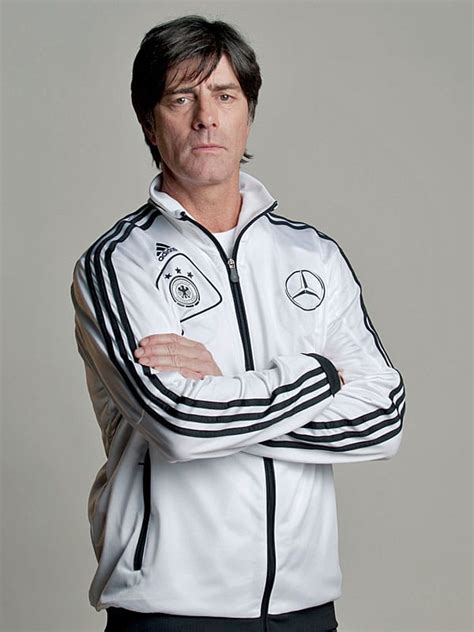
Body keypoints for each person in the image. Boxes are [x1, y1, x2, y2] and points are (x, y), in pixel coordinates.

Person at [71, 15, 406, 632]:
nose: (206, 117)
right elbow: (179, 422)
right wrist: (322, 376)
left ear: (248, 112)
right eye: (182, 98)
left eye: (224, 95)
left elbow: (382, 419)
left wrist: (222, 388)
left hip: (305, 609)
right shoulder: (118, 263)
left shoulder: (314, 255)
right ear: (149, 122)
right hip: (171, 610)